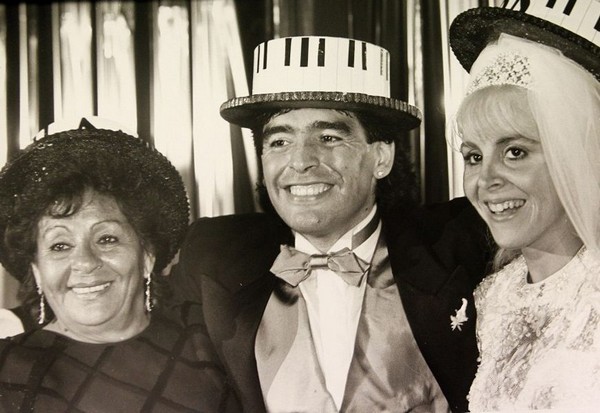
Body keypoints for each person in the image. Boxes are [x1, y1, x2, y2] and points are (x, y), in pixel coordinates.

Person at [170, 36, 490, 412]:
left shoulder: (462, 238)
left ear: (381, 157)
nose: (301, 161)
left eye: (328, 137)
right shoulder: (213, 254)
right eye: (279, 142)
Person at [0, 121, 240, 412]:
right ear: (37, 270)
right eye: (59, 245)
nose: (85, 262)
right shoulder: (6, 369)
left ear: (147, 255)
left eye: (106, 239)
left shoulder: (206, 336)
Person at [450, 1, 600, 410]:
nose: (486, 180)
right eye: (474, 156)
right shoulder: (493, 297)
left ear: (577, 157)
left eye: (515, 151)